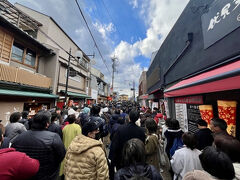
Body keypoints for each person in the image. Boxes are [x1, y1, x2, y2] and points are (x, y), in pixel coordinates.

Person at [11, 111, 66, 180]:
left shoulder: (19, 137)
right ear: (47, 124)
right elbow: (61, 154)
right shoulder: (53, 137)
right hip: (47, 174)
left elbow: (14, 155)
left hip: (25, 174)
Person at [109, 109, 146, 179]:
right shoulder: (141, 131)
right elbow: (143, 146)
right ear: (138, 118)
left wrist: (112, 161)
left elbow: (114, 146)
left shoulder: (120, 129)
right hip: (137, 161)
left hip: (121, 160)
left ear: (129, 117)